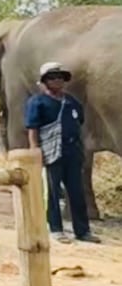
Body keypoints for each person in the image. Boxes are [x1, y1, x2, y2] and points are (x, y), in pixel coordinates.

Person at [25, 61, 95, 243]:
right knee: (52, 191)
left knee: (77, 191)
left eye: (60, 77)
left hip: (72, 151)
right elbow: (33, 128)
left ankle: (83, 231)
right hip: (51, 152)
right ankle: (55, 228)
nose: (57, 81)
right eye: (52, 77)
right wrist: (35, 150)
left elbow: (79, 121)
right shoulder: (37, 102)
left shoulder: (71, 101)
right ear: (44, 81)